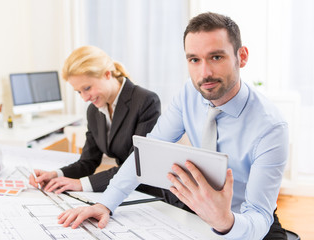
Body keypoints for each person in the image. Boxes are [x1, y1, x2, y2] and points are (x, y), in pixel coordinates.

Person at [56, 13, 289, 240]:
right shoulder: (189, 93)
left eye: (216, 57)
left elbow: (259, 214)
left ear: (242, 56)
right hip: (195, 212)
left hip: (245, 222)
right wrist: (105, 203)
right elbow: (146, 152)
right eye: (194, 60)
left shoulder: (270, 127)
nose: (204, 73)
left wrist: (225, 221)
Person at [29, 45, 161, 193]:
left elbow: (137, 165)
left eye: (87, 88)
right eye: (79, 92)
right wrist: (55, 174)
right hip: (121, 190)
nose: (84, 98)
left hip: (146, 190)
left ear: (107, 74)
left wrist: (81, 184)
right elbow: (88, 162)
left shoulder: (145, 101)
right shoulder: (94, 110)